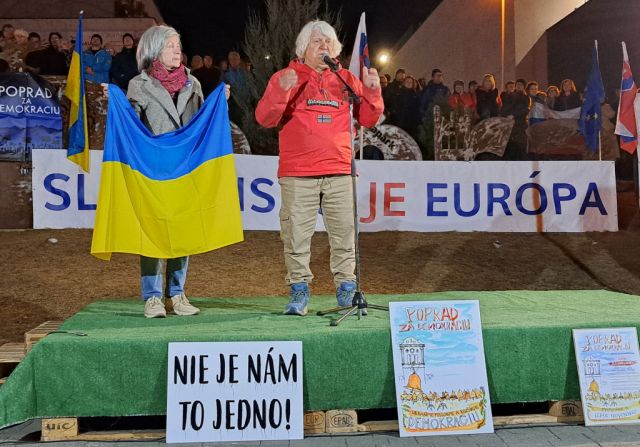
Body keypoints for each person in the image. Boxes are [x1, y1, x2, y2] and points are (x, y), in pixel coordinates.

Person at [255, 20, 383, 316]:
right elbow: (264, 118)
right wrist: (280, 92)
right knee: (296, 236)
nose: (323, 46)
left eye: (327, 41)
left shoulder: (346, 78)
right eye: (316, 42)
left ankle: (347, 289)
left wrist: (373, 93)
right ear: (303, 48)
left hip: (340, 170)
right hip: (299, 172)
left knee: (344, 234)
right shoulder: (287, 77)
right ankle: (299, 289)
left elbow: (367, 119)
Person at [124, 25, 229, 318]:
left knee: (182, 230)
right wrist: (117, 105)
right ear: (155, 49)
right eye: (170, 46)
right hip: (153, 168)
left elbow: (200, 123)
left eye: (177, 46)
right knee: (153, 234)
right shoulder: (138, 85)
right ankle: (152, 297)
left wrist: (219, 104)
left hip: (185, 169)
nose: (176, 51)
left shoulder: (192, 84)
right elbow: (131, 127)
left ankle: (178, 293)